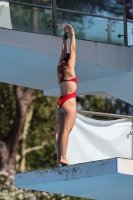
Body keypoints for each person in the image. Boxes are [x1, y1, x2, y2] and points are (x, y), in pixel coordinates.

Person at [55, 24, 78, 166]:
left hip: (60, 101)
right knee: (65, 130)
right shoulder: (70, 67)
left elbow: (64, 51)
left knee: (58, 130)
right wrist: (73, 35)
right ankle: (63, 156)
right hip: (69, 102)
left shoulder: (59, 68)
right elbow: (72, 49)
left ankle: (59, 157)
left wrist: (64, 36)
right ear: (71, 61)